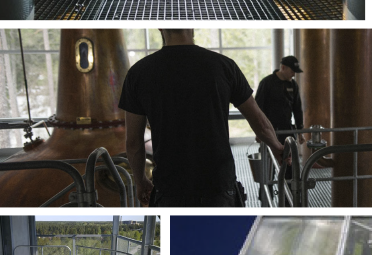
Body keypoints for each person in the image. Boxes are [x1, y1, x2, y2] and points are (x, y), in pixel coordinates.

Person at [119, 29, 285, 207]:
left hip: (170, 188)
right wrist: (276, 147)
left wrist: (141, 180)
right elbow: (259, 120)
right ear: (192, 26)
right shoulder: (223, 66)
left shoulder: (139, 73)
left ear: (160, 28)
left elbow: (133, 142)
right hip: (218, 185)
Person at [255, 55, 304, 139]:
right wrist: (258, 130)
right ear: (283, 67)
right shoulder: (267, 83)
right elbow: (258, 108)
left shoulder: (293, 85)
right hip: (269, 129)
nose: (293, 75)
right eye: (292, 71)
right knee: (269, 152)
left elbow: (297, 108)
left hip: (286, 129)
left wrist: (300, 130)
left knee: (289, 151)